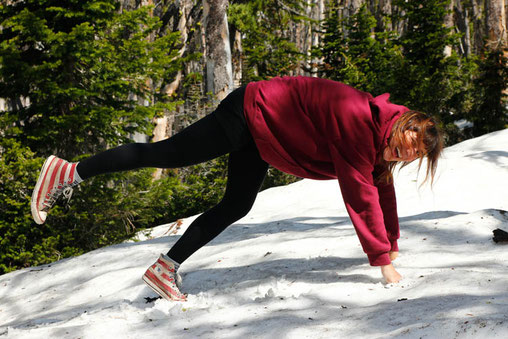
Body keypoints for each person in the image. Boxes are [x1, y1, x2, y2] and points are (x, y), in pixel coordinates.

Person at [31, 76, 443, 301]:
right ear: (404, 127)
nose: (400, 156)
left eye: (409, 157)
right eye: (403, 147)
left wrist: (391, 240)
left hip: (267, 133)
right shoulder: (359, 121)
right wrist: (383, 261)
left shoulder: (383, 140)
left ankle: (164, 269)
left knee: (236, 205)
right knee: (167, 155)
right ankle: (68, 172)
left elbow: (380, 188)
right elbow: (360, 194)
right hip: (252, 112)